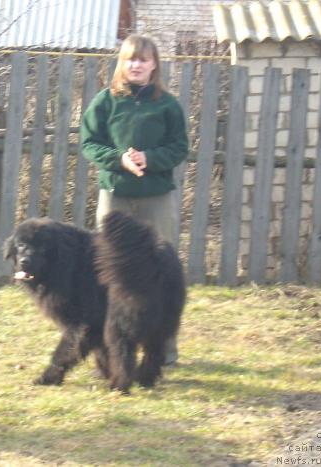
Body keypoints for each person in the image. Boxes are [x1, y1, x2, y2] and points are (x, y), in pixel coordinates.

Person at [80, 34, 188, 365]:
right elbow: (89, 144)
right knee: (109, 275)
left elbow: (179, 147)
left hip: (156, 198)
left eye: (143, 59)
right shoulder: (105, 101)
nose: (136, 65)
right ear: (121, 63)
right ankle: (110, 347)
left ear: (154, 64)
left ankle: (163, 349)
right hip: (115, 197)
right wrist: (119, 159)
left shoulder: (167, 105)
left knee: (162, 272)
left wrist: (149, 159)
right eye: (130, 59)